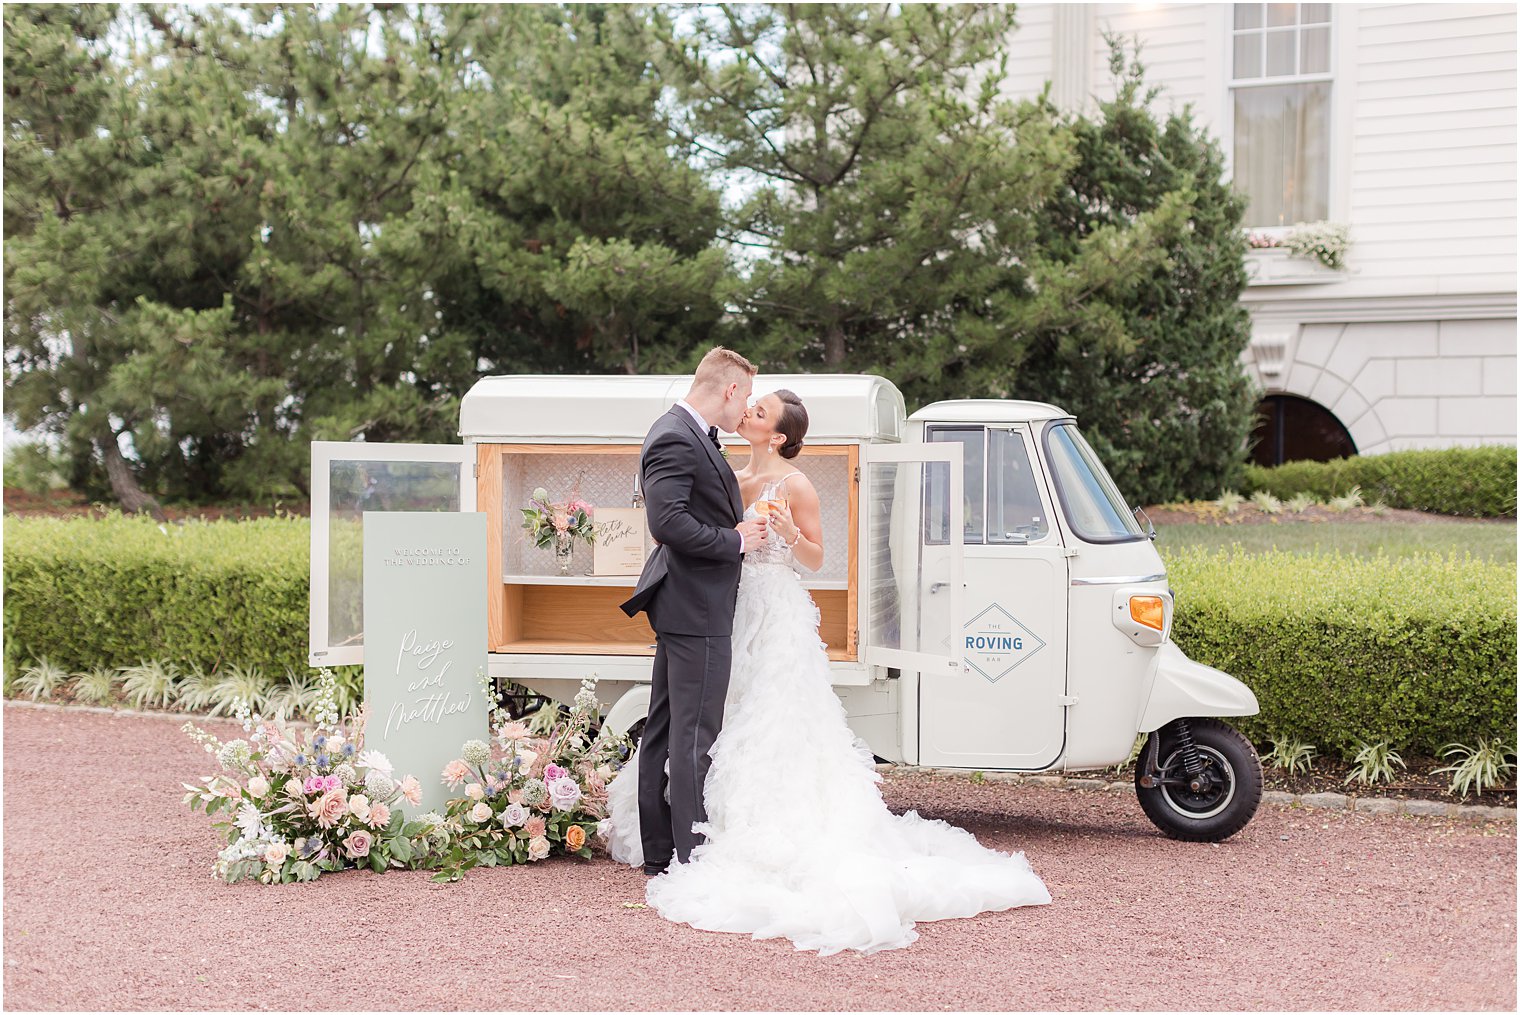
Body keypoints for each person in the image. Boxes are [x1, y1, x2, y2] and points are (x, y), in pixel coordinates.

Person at [606, 387, 1051, 956]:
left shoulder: (795, 485)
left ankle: (748, 830)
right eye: (750, 405)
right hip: (724, 607)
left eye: (759, 412)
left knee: (771, 716)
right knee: (709, 718)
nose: (747, 412)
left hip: (774, 609)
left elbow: (817, 557)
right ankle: (689, 826)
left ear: (781, 435)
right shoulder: (729, 475)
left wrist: (787, 532)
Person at [619, 347, 769, 876]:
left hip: (687, 603)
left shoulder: (687, 435)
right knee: (693, 735)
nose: (745, 407)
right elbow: (668, 523)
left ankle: (662, 851)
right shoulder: (674, 437)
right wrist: (735, 540)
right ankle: (691, 857)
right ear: (729, 390)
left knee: (664, 730)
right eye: (746, 395)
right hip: (695, 606)